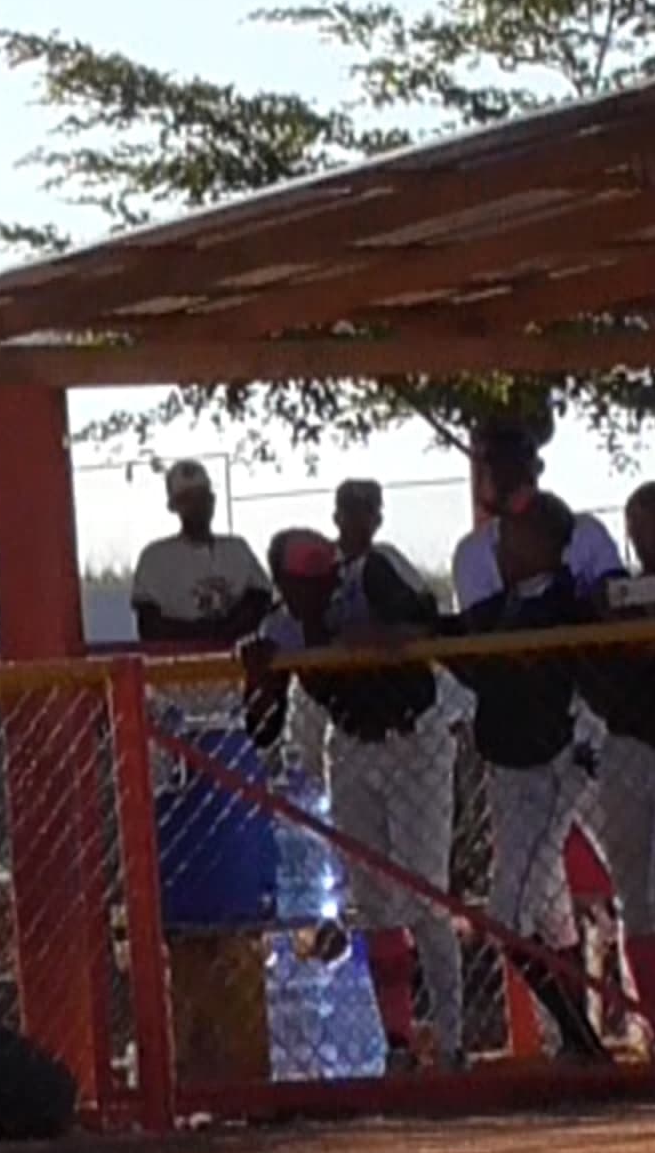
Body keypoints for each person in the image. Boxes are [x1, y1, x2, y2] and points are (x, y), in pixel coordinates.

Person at [241, 517, 462, 1072]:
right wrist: (259, 678)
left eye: (327, 577)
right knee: (371, 899)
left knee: (426, 893)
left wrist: (391, 632)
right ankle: (398, 1041)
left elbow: (433, 622)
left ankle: (454, 1042)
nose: (324, 589)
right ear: (286, 586)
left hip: (415, 735)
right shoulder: (283, 627)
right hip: (353, 745)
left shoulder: (370, 580)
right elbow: (261, 730)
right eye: (307, 582)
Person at [444, 492, 610, 1063]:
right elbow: (469, 647)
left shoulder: (567, 603)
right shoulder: (513, 603)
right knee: (534, 910)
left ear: (544, 544)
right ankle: (577, 1036)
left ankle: (584, 1040)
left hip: (553, 769)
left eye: (514, 540)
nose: (503, 551)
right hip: (515, 770)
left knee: (510, 912)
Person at [581, 481, 655, 1041]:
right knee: (633, 895)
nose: (644, 538)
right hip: (627, 744)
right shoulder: (620, 591)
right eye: (636, 527)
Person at [451, 414, 624, 608]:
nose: (506, 471)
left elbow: (621, 601)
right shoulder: (472, 553)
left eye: (516, 457)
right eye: (494, 461)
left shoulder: (586, 532)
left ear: (537, 466)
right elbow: (482, 629)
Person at [131, 459, 273, 646]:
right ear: (174, 507)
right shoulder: (154, 559)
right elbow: (150, 627)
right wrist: (204, 635)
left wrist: (226, 631)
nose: (197, 507)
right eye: (188, 500)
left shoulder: (237, 549)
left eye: (202, 498)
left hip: (235, 661)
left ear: (212, 501)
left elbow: (259, 603)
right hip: (179, 665)